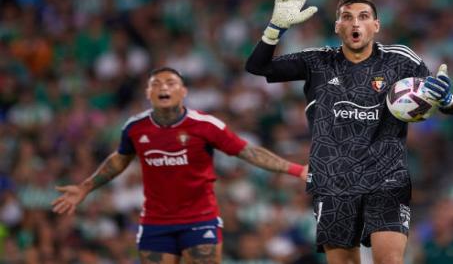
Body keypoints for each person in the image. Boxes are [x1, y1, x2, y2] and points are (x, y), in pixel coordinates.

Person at [245, 0, 453, 264]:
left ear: (376, 25)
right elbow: (257, 67)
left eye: (364, 16)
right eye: (347, 17)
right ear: (337, 26)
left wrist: (447, 97)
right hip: (332, 180)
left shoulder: (401, 59)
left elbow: (443, 104)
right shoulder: (317, 61)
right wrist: (275, 28)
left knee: (389, 260)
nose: (355, 22)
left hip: (386, 177)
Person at [51, 67, 308, 264]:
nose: (164, 87)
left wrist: (297, 170)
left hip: (200, 219)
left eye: (171, 83)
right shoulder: (135, 127)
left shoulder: (205, 125)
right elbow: (120, 158)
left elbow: (248, 151)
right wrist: (85, 188)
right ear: (148, 93)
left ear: (183, 92)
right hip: (155, 222)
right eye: (156, 84)